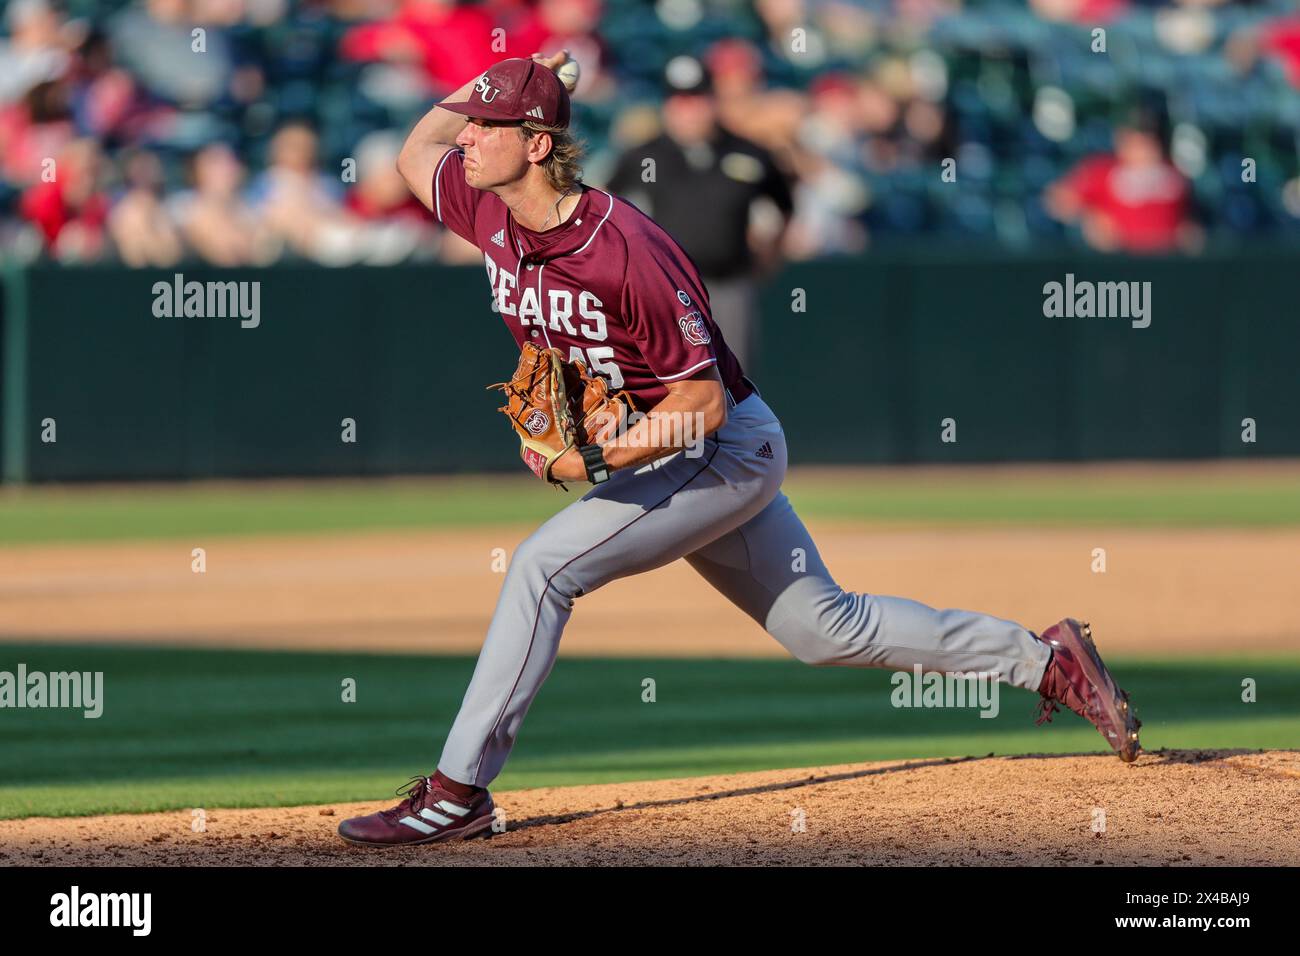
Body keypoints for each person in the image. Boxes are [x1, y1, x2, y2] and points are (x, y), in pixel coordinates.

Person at [337, 53, 1141, 848]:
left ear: (538, 144)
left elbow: (701, 402)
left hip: (718, 449)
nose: (467, 138)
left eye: (490, 125)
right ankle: (1044, 660)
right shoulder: (489, 212)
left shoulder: (626, 251)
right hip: (679, 451)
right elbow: (416, 151)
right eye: (472, 123)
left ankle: (457, 792)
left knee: (543, 568)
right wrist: (501, 78)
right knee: (826, 630)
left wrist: (587, 464)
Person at [606, 55, 793, 369]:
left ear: (712, 101)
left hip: (728, 285)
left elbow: (784, 205)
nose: (689, 110)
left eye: (697, 99)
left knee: (734, 388)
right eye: (680, 101)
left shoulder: (747, 152)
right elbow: (604, 211)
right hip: (664, 291)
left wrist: (769, 256)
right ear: (667, 106)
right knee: (669, 387)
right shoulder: (644, 156)